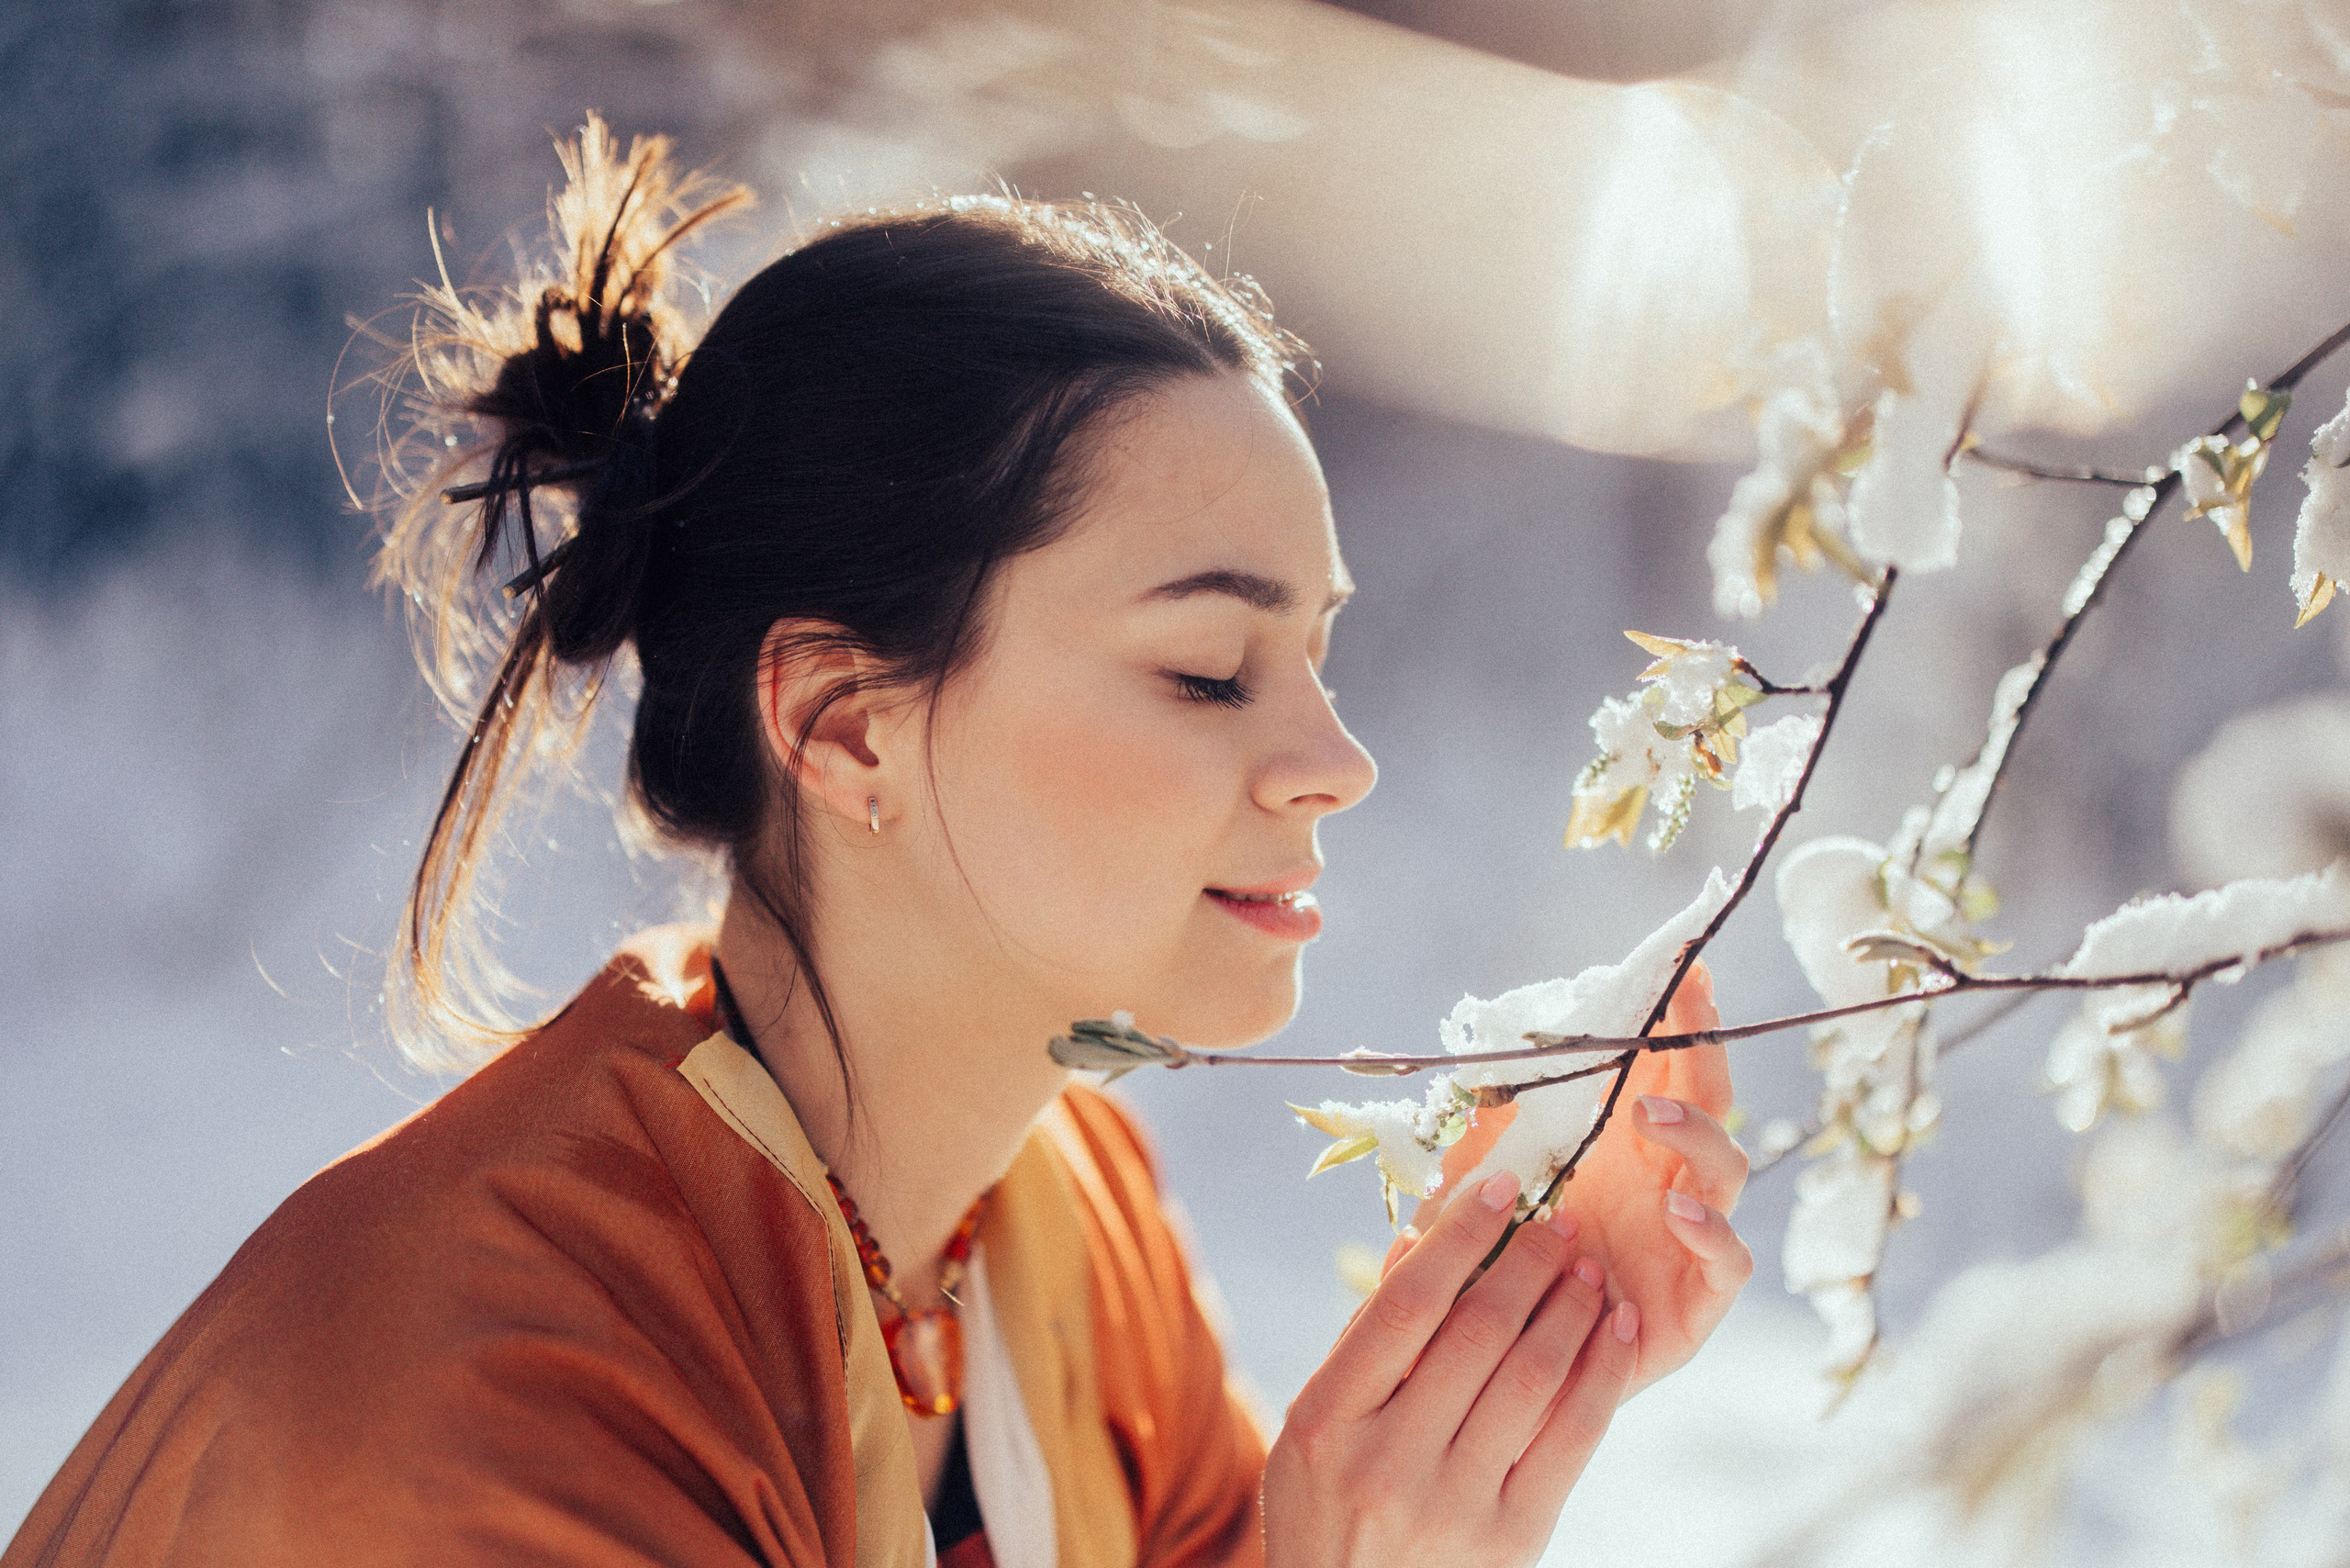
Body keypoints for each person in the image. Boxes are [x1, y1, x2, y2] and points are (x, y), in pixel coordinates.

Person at [5, 120, 1751, 1568]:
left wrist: (1489, 1372)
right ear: (844, 724)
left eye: (1319, 655)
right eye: (1212, 670)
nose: (1337, 762)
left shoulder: (1056, 1222)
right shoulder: (497, 1396)